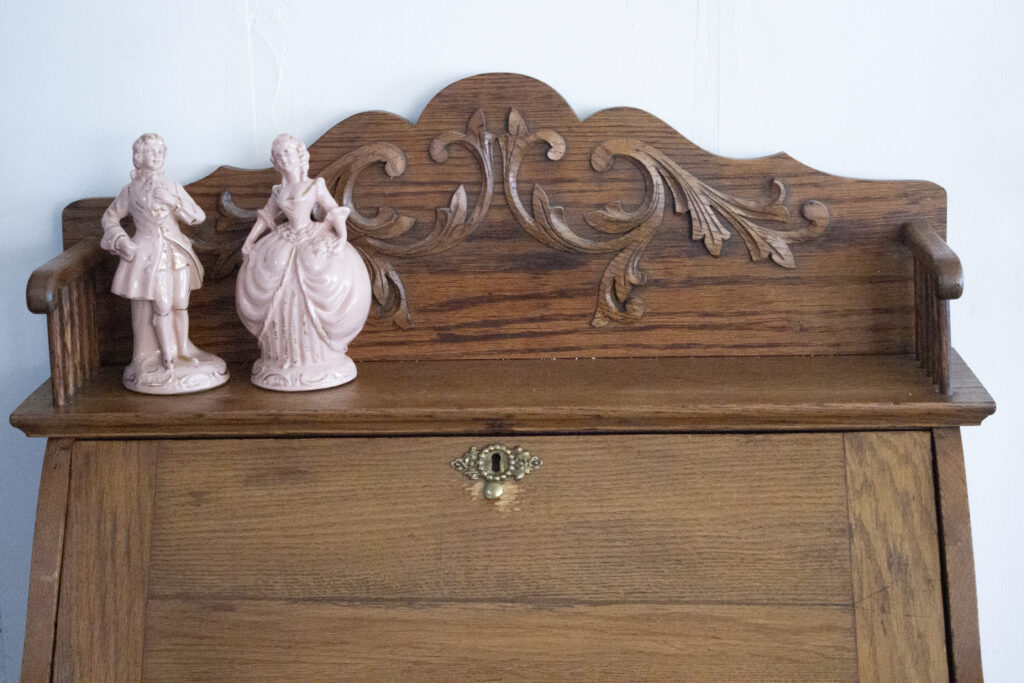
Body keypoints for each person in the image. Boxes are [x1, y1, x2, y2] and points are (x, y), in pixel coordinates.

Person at [236, 133, 371, 391]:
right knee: (271, 268)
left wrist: (342, 237)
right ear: (275, 162)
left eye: (287, 152)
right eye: (278, 155)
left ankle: (322, 353)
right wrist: (249, 241)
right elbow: (266, 217)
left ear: (300, 156)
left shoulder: (315, 185)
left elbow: (333, 211)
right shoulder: (278, 191)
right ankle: (281, 354)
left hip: (312, 235)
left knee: (317, 269)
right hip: (284, 238)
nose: (283, 158)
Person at [101, 133, 228, 393]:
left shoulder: (172, 185)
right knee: (162, 304)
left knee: (180, 303)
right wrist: (120, 240)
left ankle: (183, 351)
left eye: (160, 152)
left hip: (176, 250)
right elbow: (109, 218)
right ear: (139, 157)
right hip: (149, 254)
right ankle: (166, 356)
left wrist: (174, 201)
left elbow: (198, 216)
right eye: (150, 152)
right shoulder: (130, 190)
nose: (156, 156)